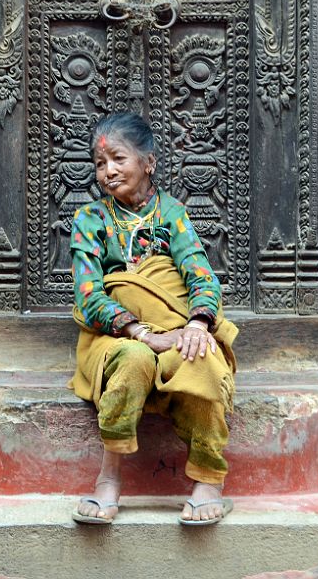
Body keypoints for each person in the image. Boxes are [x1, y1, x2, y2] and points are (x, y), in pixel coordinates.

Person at [67, 112, 238, 525]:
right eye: (99, 163)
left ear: (149, 163)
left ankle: (208, 479)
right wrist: (140, 331)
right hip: (118, 335)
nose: (107, 171)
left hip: (178, 328)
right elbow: (88, 295)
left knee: (204, 360)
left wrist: (197, 324)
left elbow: (201, 276)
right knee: (134, 360)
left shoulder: (173, 214)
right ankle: (109, 476)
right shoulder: (90, 220)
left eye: (118, 160)